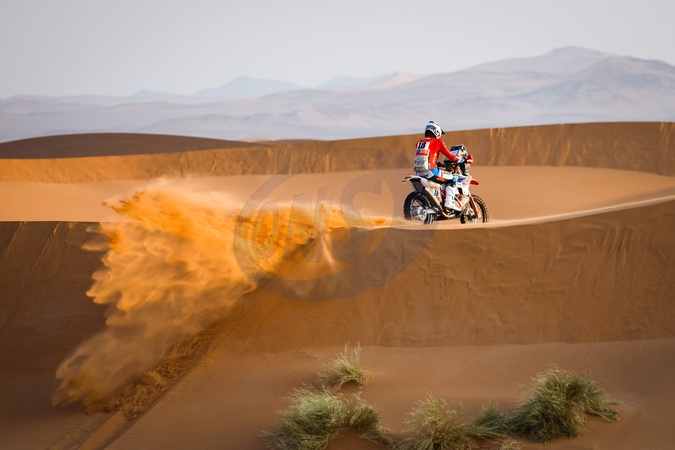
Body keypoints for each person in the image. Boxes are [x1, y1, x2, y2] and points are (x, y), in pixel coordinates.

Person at [413, 120, 466, 211]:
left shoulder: (419, 142)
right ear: (436, 131)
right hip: (431, 172)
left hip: (419, 173)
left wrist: (436, 163)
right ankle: (449, 203)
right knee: (453, 179)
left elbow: (428, 154)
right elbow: (450, 156)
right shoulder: (437, 142)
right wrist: (459, 159)